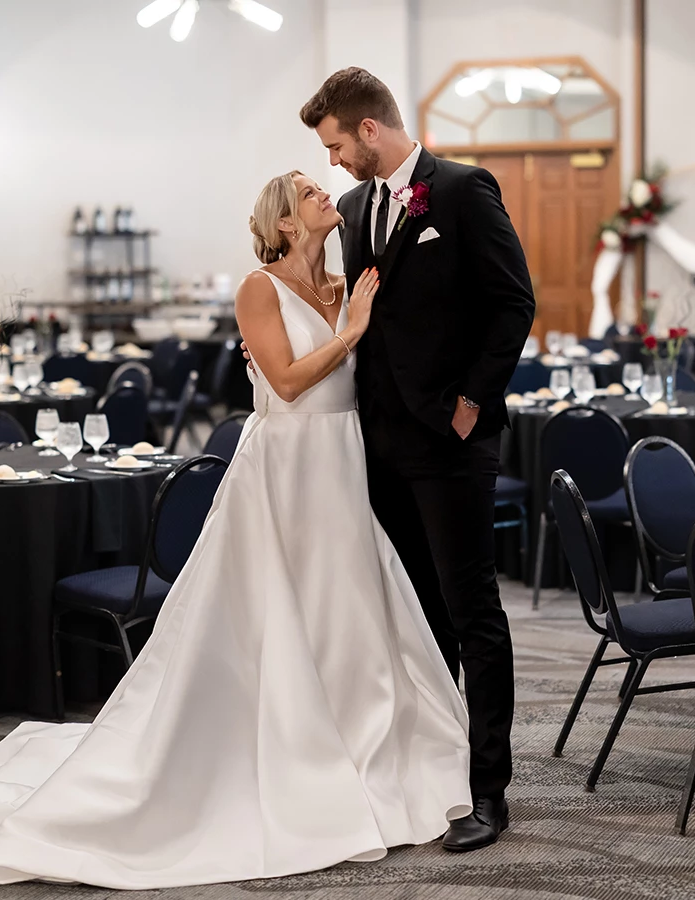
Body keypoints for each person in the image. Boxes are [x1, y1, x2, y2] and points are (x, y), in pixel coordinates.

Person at [0, 170, 472, 890]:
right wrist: (354, 333)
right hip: (283, 467)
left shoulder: (347, 286)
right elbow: (288, 379)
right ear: (283, 222)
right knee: (273, 612)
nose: (323, 193)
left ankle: (367, 744)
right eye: (308, 191)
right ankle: (286, 751)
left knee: (350, 608)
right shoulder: (258, 288)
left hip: (344, 463)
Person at [299, 67, 536, 851]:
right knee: (415, 615)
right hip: (381, 442)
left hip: (452, 442)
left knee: (472, 614)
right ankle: (434, 775)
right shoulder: (362, 207)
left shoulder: (464, 191)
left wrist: (471, 403)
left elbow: (513, 303)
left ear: (370, 129)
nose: (333, 161)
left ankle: (490, 794)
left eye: (336, 144)